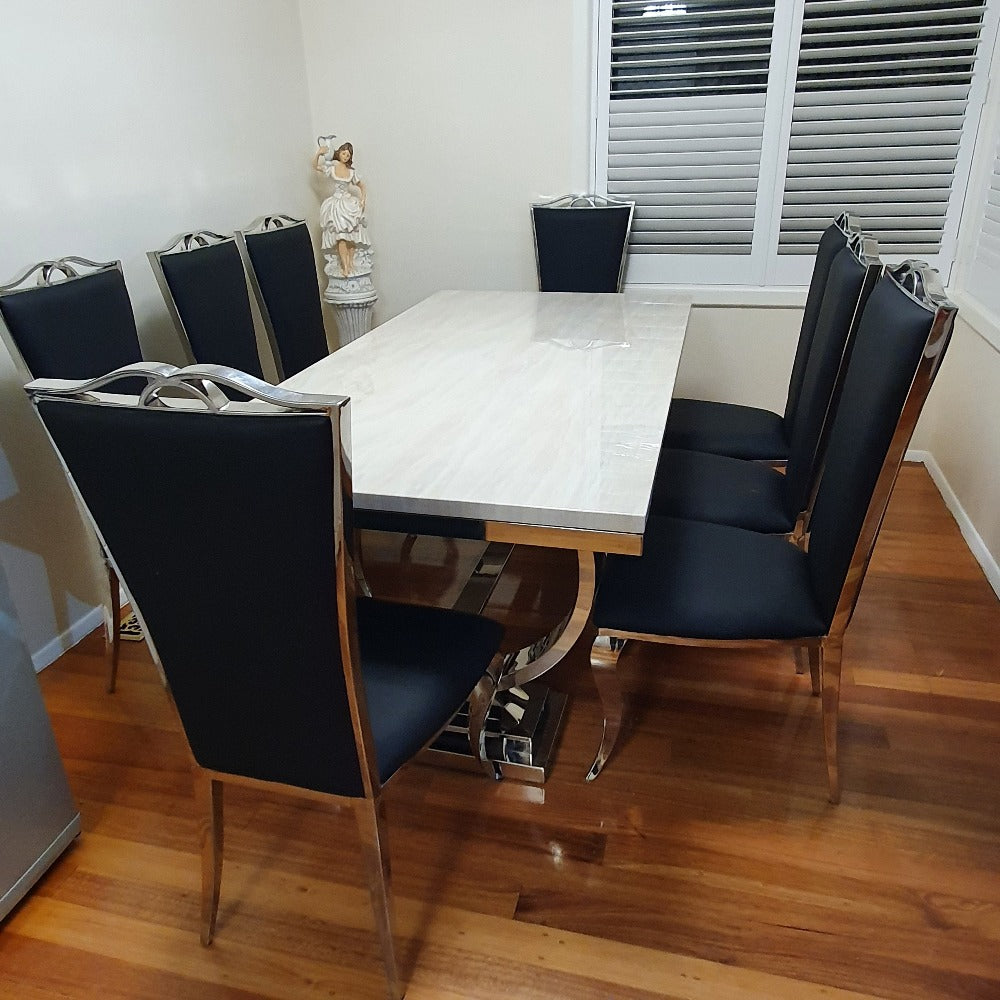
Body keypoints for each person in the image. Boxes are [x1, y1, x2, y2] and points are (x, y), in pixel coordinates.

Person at [313, 139, 370, 277]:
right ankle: (344, 266)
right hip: (337, 206)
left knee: (352, 237)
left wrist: (363, 199)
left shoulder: (351, 172)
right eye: (344, 153)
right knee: (341, 237)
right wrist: (318, 154)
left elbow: (362, 186)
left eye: (348, 155)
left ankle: (350, 264)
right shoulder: (332, 167)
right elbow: (316, 166)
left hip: (349, 204)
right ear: (339, 153)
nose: (345, 156)